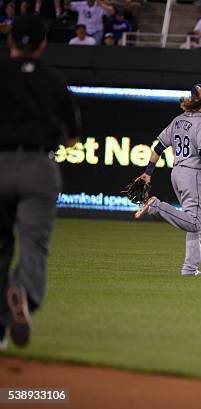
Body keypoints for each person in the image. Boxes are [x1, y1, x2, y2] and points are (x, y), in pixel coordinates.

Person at [0, 14, 80, 349]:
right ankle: (25, 296)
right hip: (38, 166)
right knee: (34, 245)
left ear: (10, 40)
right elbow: (73, 139)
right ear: (44, 44)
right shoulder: (54, 81)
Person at [134, 84, 201, 276]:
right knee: (195, 223)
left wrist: (148, 172)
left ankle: (190, 269)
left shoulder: (178, 120)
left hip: (177, 173)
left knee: (197, 224)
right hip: (192, 174)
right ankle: (156, 206)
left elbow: (158, 148)